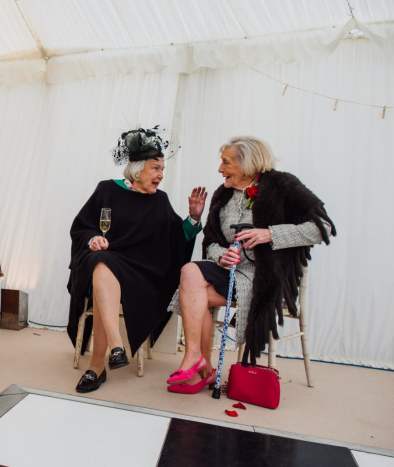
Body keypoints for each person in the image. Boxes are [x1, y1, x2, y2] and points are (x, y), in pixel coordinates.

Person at [166, 136, 336, 394]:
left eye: (226, 162)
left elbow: (323, 227)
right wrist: (222, 255)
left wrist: (271, 234)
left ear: (247, 165)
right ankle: (195, 357)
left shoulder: (283, 185)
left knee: (195, 296)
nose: (219, 169)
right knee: (190, 271)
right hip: (230, 273)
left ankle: (204, 370)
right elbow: (210, 240)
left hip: (266, 277)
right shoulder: (222, 194)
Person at [67, 126, 207, 393]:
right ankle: (115, 348)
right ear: (138, 168)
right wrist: (92, 239)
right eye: (156, 168)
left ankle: (98, 366)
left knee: (102, 270)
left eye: (162, 170)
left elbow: (178, 238)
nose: (160, 175)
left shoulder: (161, 201)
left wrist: (194, 218)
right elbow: (81, 227)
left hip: (141, 273)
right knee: (102, 262)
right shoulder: (107, 190)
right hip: (105, 261)